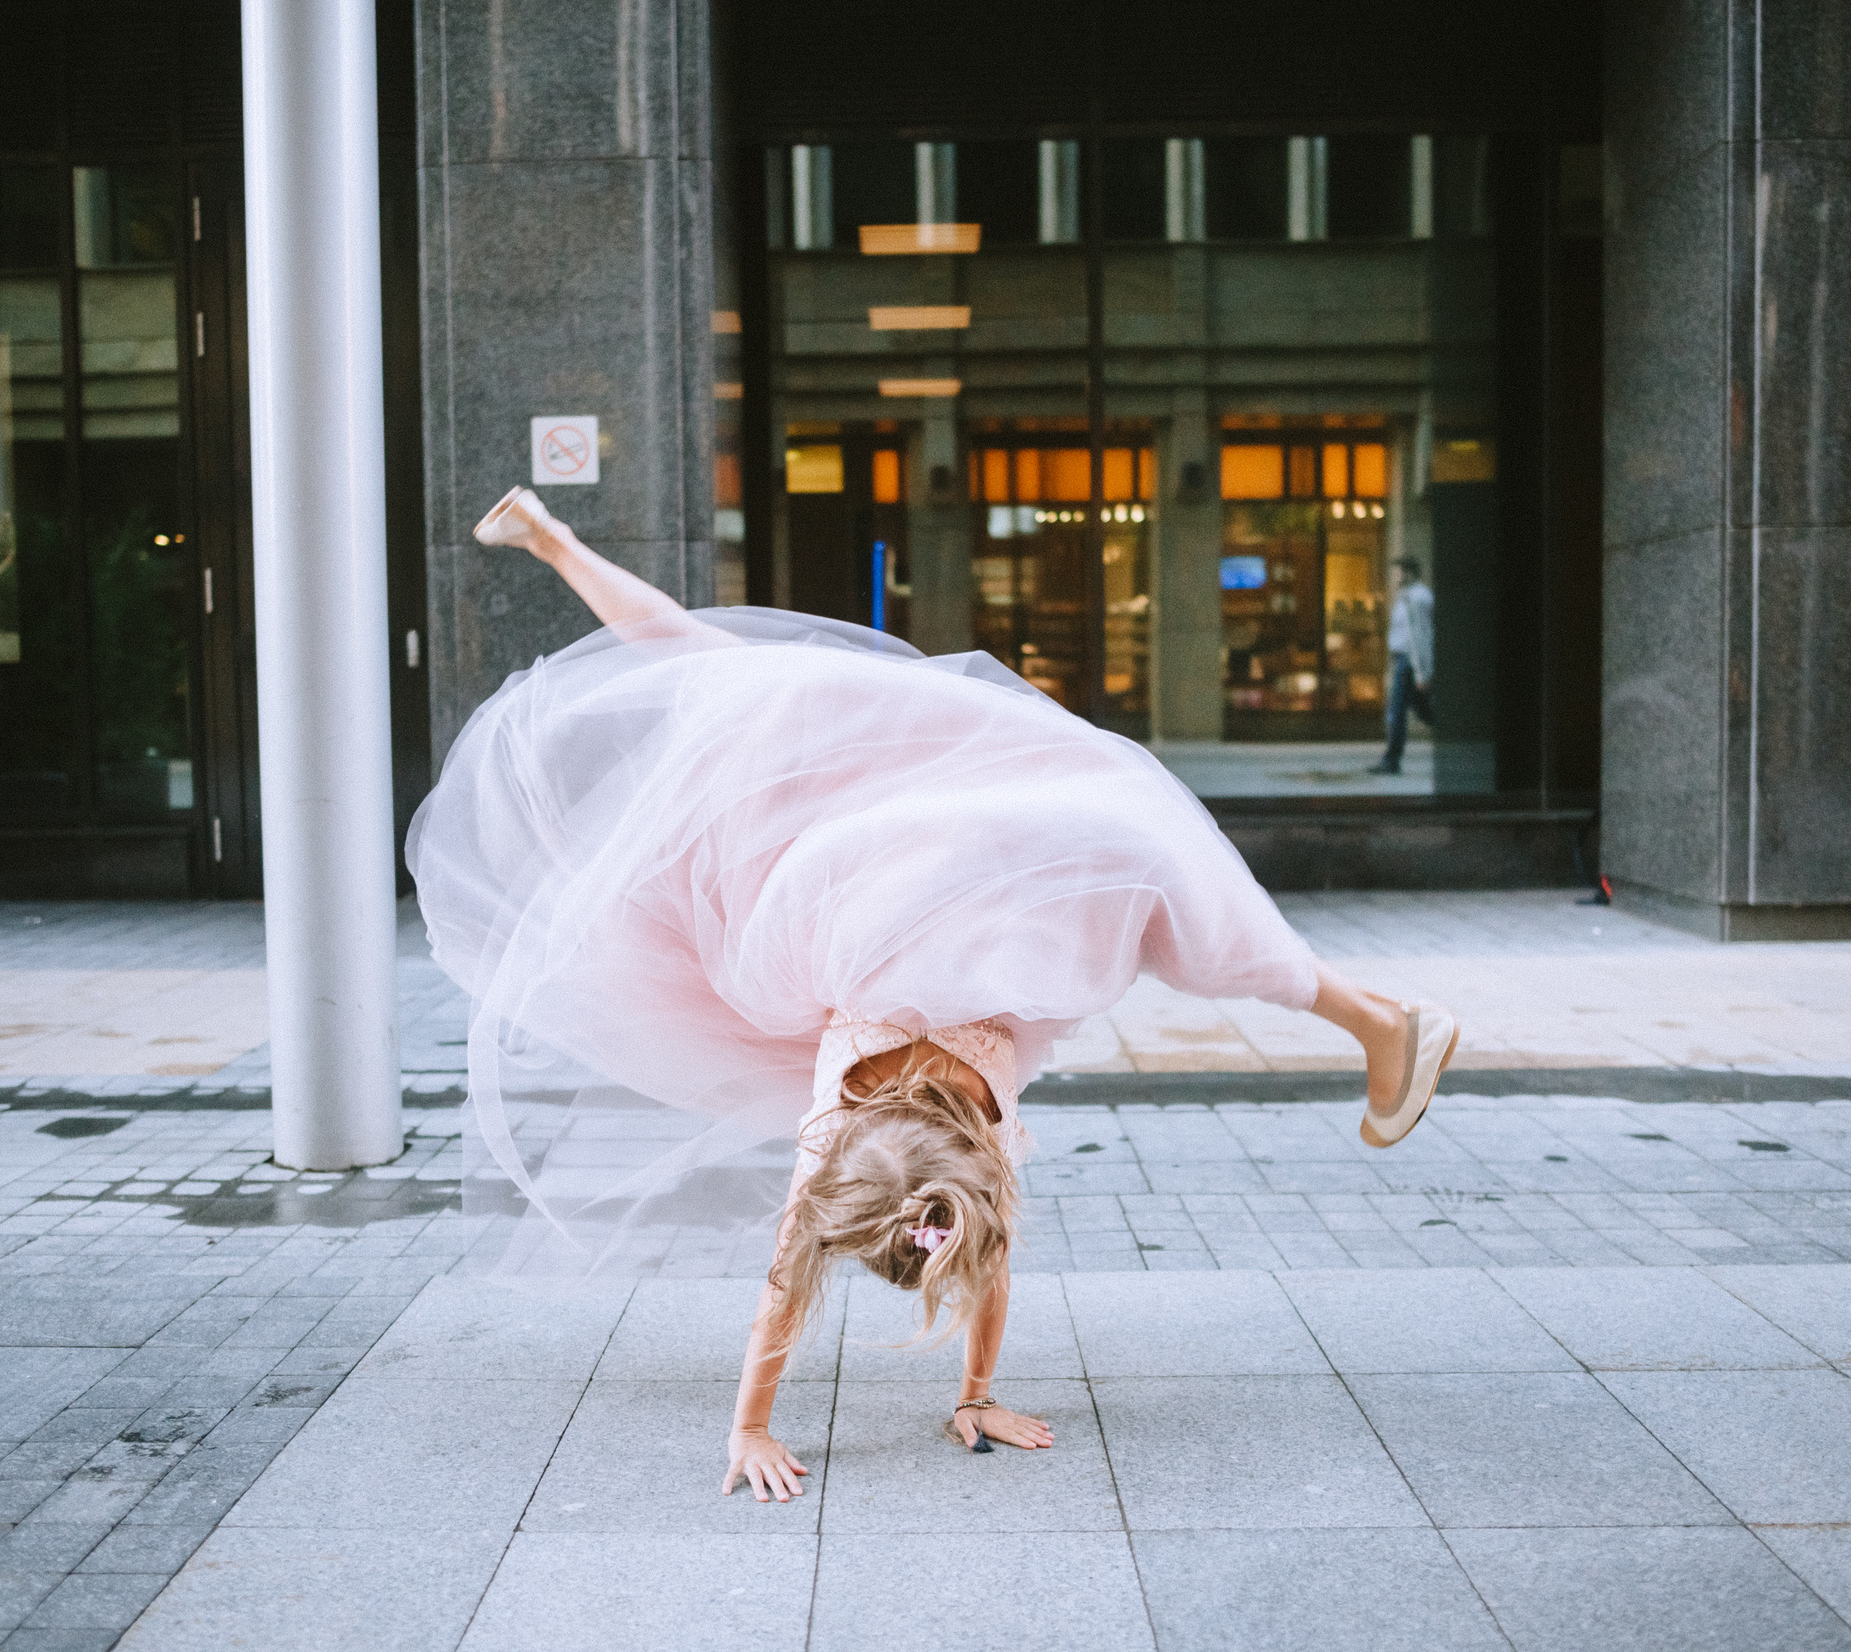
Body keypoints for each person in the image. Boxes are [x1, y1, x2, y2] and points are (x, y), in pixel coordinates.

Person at [405, 488, 1460, 1506]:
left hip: (973, 863)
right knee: (705, 673)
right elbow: (802, 1280)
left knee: (1169, 898)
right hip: (871, 861)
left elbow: (967, 1262)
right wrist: (779, 1418)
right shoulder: (848, 1145)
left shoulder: (975, 1150)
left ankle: (1380, 1018)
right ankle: (549, 537)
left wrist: (927, 1399)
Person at [1373, 556, 1436, 775]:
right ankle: (1461, 734)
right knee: (1423, 710)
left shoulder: (1416, 599)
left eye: (1398, 571)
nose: (1396, 576)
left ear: (1409, 572)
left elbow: (1418, 637)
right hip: (1405, 659)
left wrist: (1421, 673)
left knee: (1397, 710)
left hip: (1409, 660)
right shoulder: (1408, 597)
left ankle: (1391, 760)